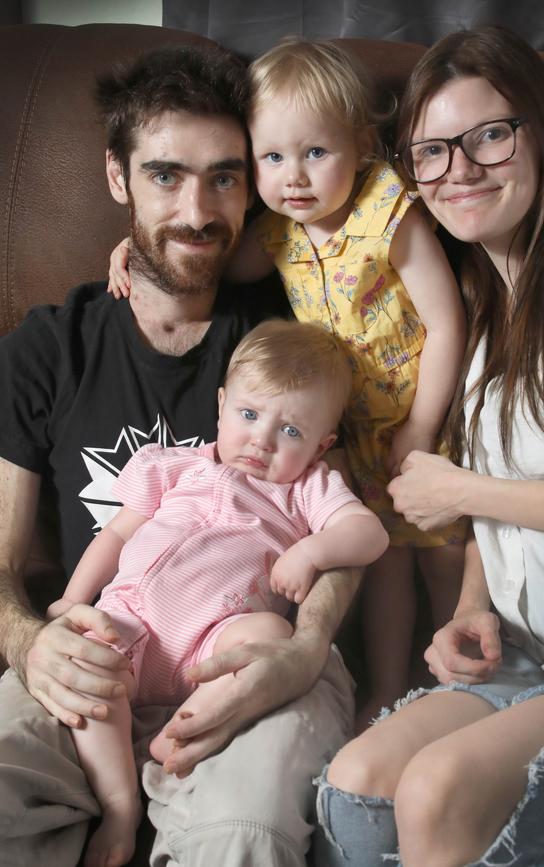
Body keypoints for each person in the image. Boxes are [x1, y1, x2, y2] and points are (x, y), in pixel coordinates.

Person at [0, 44, 364, 867]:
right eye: (166, 175)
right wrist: (29, 641)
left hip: (252, 656)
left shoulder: (294, 333)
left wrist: (305, 650)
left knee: (243, 837)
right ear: (116, 176)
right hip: (98, 654)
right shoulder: (47, 349)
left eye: (225, 177)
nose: (198, 209)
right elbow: (1, 559)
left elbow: (347, 520)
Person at [313, 25, 544, 867]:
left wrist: (461, 492)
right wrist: (472, 606)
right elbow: (504, 501)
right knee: (355, 786)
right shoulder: (482, 316)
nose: (458, 169)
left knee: (437, 791)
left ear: (543, 131)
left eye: (489, 135)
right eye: (430, 151)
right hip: (542, 658)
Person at [108, 37, 468, 729]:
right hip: (344, 430)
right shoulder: (279, 233)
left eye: (315, 153)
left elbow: (446, 323)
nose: (294, 177)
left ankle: (455, 669)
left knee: (440, 549)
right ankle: (390, 688)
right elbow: (201, 252)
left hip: (420, 412)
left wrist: (423, 425)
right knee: (385, 559)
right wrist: (138, 248)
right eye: (271, 158)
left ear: (361, 145)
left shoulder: (387, 214)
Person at [44, 319, 389, 867]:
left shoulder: (307, 489)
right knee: (89, 669)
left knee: (271, 635)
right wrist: (71, 600)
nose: (262, 439)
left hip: (215, 643)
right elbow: (115, 536)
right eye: (249, 415)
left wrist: (311, 552)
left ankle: (182, 735)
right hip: (132, 623)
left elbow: (371, 534)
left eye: (292, 431)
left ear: (323, 444)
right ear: (222, 405)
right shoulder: (173, 466)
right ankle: (119, 807)